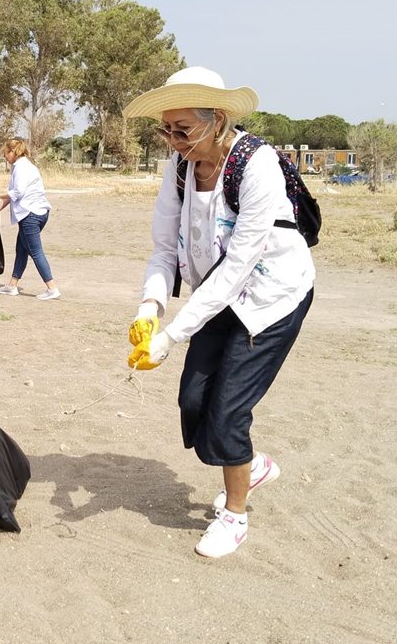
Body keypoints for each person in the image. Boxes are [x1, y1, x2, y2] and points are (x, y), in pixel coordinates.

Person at [121, 67, 315, 559]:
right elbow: (165, 249)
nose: (172, 140)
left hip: (271, 298)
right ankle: (252, 465)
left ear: (219, 120)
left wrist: (170, 338)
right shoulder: (180, 169)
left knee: (228, 409)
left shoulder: (258, 165)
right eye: (165, 129)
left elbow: (239, 267)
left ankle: (234, 516)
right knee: (193, 401)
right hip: (217, 293)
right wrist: (150, 308)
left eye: (182, 129)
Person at [0, 137, 60, 301]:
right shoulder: (25, 166)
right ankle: (12, 286)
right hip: (38, 212)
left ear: (12, 152)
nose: (5, 158)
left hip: (30, 215)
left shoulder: (21, 167)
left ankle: (52, 288)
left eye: (5, 154)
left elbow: (17, 193)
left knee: (35, 251)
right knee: (21, 249)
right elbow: (12, 194)